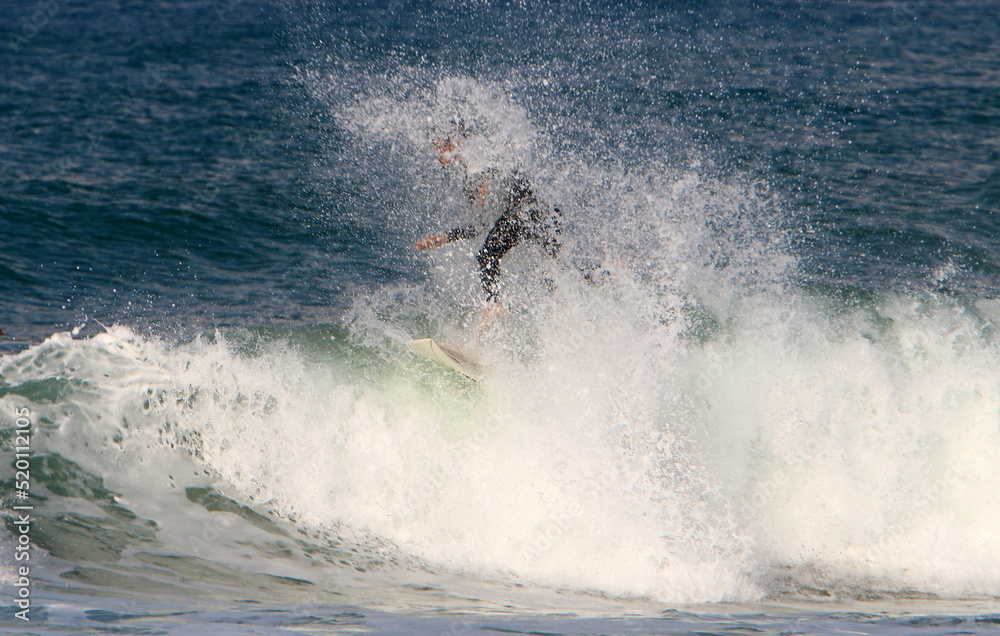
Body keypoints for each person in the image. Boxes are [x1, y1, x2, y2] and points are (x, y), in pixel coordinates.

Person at [416, 122, 562, 337]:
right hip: (542, 216)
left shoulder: (475, 154)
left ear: (452, 142)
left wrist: (486, 183)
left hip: (530, 211)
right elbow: (480, 227)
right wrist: (445, 238)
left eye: (438, 146)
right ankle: (604, 275)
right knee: (556, 276)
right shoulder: (468, 179)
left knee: (487, 254)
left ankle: (494, 303)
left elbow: (498, 163)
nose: (436, 154)